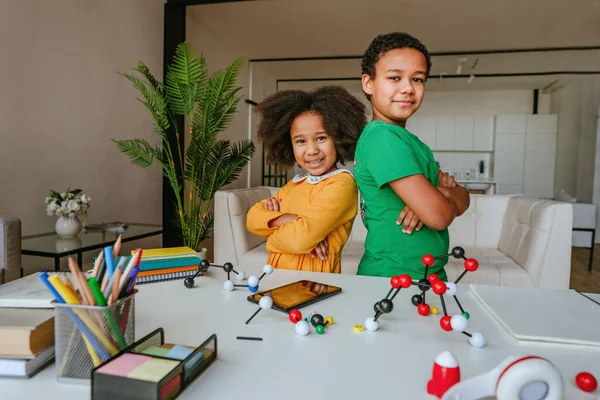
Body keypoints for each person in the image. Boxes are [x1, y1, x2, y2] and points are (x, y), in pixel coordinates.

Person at [354, 32, 470, 280]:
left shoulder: (408, 141)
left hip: (427, 277)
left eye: (417, 79)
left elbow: (464, 197)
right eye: (394, 77)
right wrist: (435, 196)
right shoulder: (382, 139)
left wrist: (440, 193)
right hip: (393, 280)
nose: (407, 88)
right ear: (368, 83)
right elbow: (439, 216)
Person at [246, 86, 367, 274]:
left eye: (320, 138)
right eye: (301, 141)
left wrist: (269, 235)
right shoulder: (296, 183)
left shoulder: (342, 183)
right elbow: (252, 219)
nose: (311, 150)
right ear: (288, 144)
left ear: (339, 138)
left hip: (314, 283)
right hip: (275, 277)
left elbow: (299, 240)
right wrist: (290, 219)